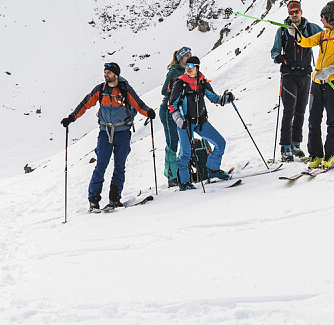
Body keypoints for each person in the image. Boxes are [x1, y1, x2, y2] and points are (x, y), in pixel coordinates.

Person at [63, 61, 155, 211]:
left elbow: (138, 104)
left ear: (116, 75)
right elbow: (85, 103)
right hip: (105, 132)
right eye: (105, 72)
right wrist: (72, 117)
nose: (106, 75)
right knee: (100, 165)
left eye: (109, 72)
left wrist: (148, 112)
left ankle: (115, 198)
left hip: (123, 132)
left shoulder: (125, 89)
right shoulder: (100, 90)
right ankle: (93, 200)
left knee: (120, 166)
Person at [294, 0, 334, 169]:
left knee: (332, 120)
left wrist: (330, 70)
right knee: (313, 120)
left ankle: (329, 155)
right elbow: (306, 42)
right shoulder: (324, 34)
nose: (321, 21)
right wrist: (296, 35)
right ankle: (315, 155)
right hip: (317, 83)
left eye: (322, 18)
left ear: (329, 18)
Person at [166, 55, 234, 190]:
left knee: (220, 143)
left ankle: (213, 169)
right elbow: (171, 105)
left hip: (201, 121)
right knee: (185, 153)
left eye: (190, 66)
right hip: (185, 123)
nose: (187, 68)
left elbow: (213, 97)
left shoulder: (202, 81)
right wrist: (179, 120)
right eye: (186, 65)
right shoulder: (180, 83)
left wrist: (225, 99)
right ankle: (184, 183)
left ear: (197, 67)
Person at [270, 0, 323, 162]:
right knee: (289, 110)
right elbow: (275, 51)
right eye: (291, 12)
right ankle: (285, 147)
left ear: (301, 11)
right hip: (289, 75)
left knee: (301, 110)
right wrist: (278, 57)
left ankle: (296, 144)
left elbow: (324, 37)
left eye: (297, 11)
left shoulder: (310, 28)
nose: (294, 14)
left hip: (306, 74)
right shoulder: (283, 31)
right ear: (288, 13)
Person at [157, 46, 192, 187]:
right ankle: (171, 176)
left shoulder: (188, 70)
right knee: (172, 142)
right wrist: (176, 88)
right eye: (186, 56)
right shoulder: (174, 71)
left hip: (180, 111)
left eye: (190, 55)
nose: (189, 58)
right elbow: (164, 91)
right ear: (180, 58)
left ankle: (180, 172)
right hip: (167, 111)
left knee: (183, 140)